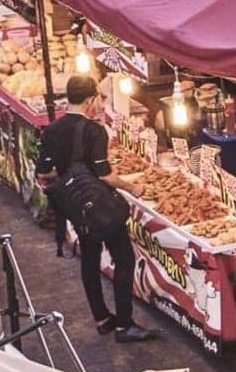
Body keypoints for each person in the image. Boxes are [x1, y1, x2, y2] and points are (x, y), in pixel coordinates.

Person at [35, 75, 156, 342]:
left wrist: (69, 174)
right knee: (124, 259)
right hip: (101, 209)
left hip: (76, 208)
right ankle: (124, 325)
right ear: (90, 100)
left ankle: (102, 318)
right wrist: (132, 188)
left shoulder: (51, 130)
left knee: (89, 259)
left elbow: (44, 172)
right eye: (98, 99)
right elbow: (104, 175)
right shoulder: (94, 131)